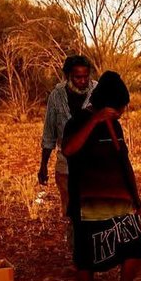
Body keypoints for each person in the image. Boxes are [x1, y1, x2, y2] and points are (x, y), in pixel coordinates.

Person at [62, 71, 141, 281]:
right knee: (86, 261)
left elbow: (124, 161)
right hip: (87, 205)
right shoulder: (78, 121)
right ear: (106, 105)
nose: (122, 113)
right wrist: (95, 121)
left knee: (136, 249)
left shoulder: (117, 127)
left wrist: (136, 197)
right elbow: (68, 150)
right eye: (119, 107)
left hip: (120, 202)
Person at [38, 55, 96, 248]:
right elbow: (49, 133)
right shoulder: (57, 96)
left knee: (93, 208)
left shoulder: (97, 92)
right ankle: (77, 253)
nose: (82, 81)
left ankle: (92, 250)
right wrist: (43, 166)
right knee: (72, 210)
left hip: (92, 161)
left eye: (85, 76)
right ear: (68, 76)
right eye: (77, 77)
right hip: (66, 162)